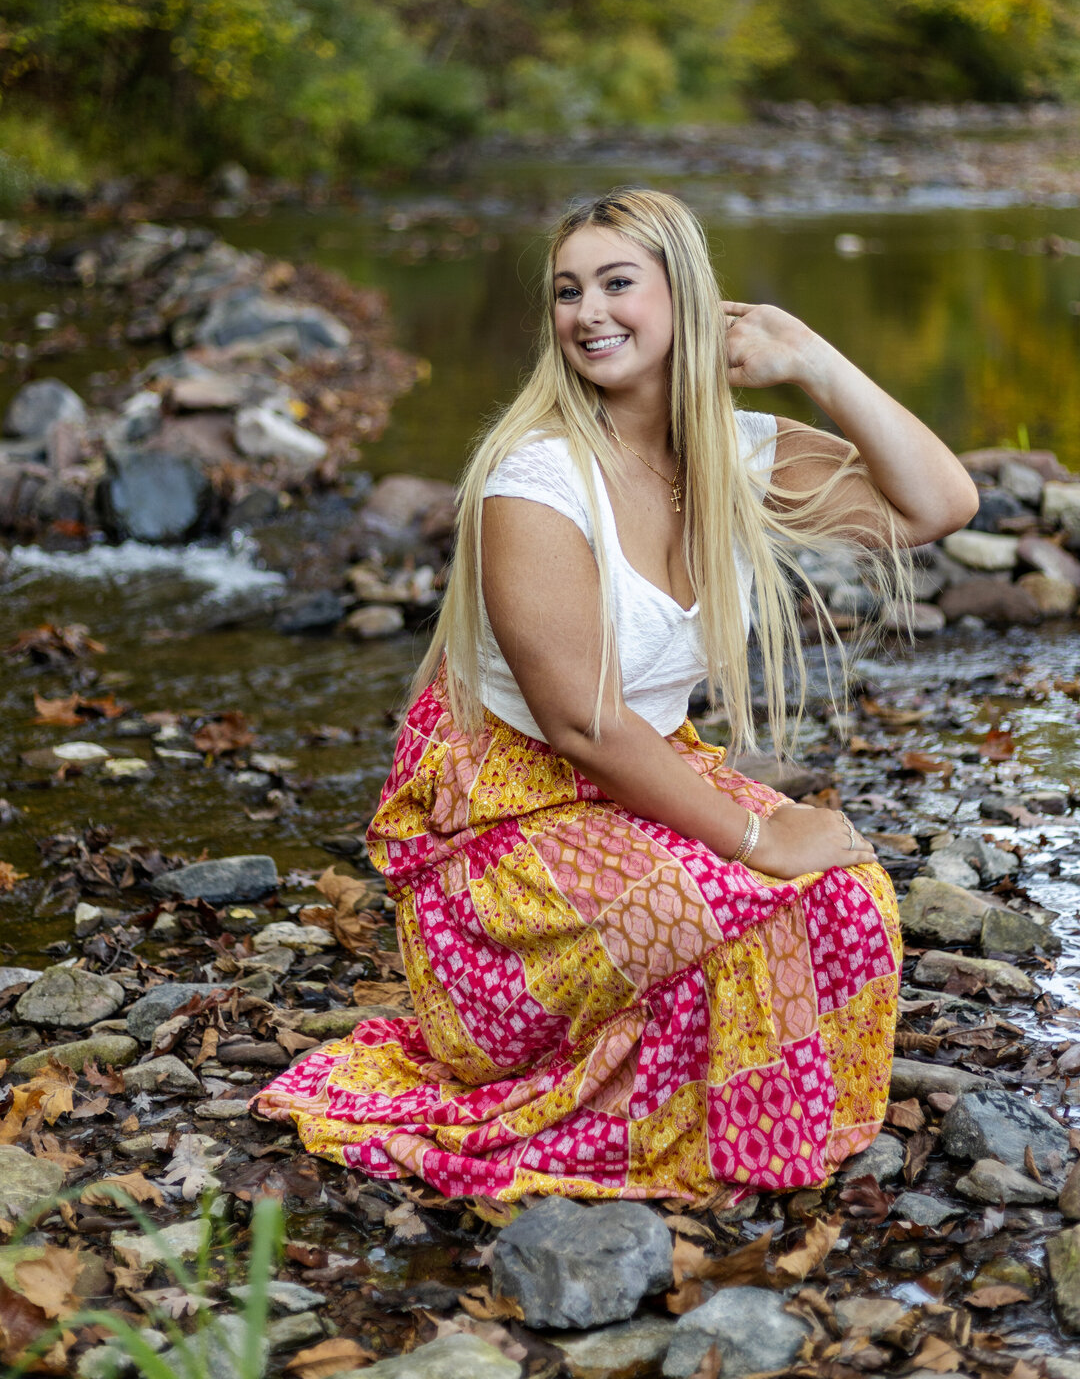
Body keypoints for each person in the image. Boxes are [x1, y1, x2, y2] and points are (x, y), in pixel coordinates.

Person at [253, 187, 977, 1203]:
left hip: (641, 777)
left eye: (618, 283)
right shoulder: (534, 480)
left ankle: (731, 1127)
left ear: (687, 297)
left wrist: (812, 357)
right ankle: (619, 1118)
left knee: (850, 898)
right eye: (567, 291)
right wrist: (758, 839)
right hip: (505, 836)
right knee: (728, 898)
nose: (588, 311)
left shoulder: (737, 452)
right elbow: (581, 725)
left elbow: (941, 503)